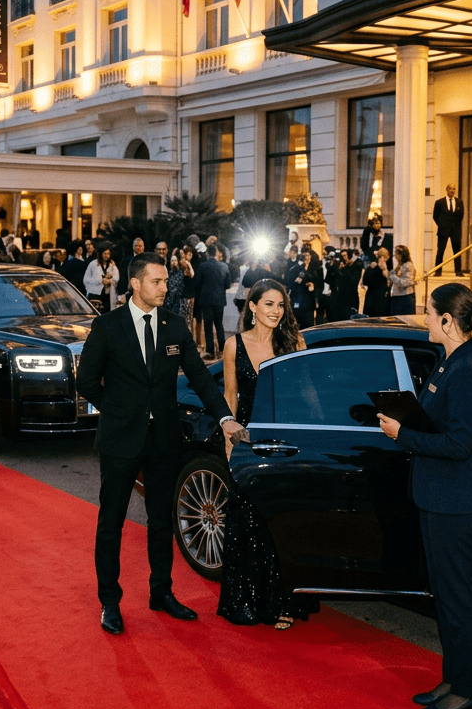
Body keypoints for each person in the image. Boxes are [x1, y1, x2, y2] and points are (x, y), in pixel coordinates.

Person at [75, 253, 246, 636]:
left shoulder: (173, 326)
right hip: (121, 439)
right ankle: (110, 602)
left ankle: (161, 593)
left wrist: (224, 416)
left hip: (165, 439)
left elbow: (201, 377)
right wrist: (119, 411)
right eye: (157, 282)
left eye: (166, 281)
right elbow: (85, 382)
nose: (165, 288)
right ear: (135, 284)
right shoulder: (107, 327)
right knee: (112, 522)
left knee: (160, 521)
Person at [377, 283, 472, 709]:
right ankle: (453, 679)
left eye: (429, 313)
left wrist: (402, 435)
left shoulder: (466, 369)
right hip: (438, 496)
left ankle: (468, 690)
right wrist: (405, 419)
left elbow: (462, 444)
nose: (424, 319)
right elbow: (437, 423)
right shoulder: (449, 361)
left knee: (458, 599)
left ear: (448, 321)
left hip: (457, 502)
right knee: (446, 598)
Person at [217, 279, 320, 630]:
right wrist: (228, 443)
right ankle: (248, 601)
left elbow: (308, 394)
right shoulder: (234, 345)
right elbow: (230, 396)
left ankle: (284, 602)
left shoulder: (293, 342)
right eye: (269, 304)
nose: (276, 311)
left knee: (280, 522)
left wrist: (316, 432)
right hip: (248, 443)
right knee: (246, 523)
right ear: (253, 307)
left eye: (280, 305)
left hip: (283, 441)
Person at [195, 244, 231, 357]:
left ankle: (210, 351)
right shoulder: (224, 266)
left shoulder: (202, 266)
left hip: (206, 301)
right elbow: (228, 284)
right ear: (216, 253)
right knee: (219, 324)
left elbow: (197, 283)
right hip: (219, 300)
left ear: (207, 253)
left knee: (208, 326)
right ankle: (221, 350)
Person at [432, 185, 464, 276]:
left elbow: (461, 215)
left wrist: (455, 226)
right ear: (446, 190)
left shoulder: (459, 202)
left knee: (457, 251)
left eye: (454, 189)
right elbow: (435, 216)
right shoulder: (439, 202)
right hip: (443, 230)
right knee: (440, 250)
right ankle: (438, 271)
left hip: (456, 231)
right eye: (450, 189)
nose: (452, 190)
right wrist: (442, 225)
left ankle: (458, 271)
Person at [84, 246, 120, 312]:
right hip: (95, 294)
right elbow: (86, 280)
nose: (106, 255)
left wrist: (109, 280)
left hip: (107, 295)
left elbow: (116, 278)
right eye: (104, 253)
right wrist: (100, 281)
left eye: (108, 254)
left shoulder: (112, 264)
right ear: (101, 254)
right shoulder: (93, 264)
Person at [388, 244, 417, 315]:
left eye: (396, 253)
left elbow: (405, 282)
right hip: (398, 296)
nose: (395, 256)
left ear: (402, 255)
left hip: (404, 297)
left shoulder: (408, 265)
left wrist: (392, 276)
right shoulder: (400, 265)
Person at [361, 247, 391, 317]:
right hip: (382, 298)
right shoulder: (386, 269)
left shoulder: (370, 268)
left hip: (370, 297)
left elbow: (365, 281)